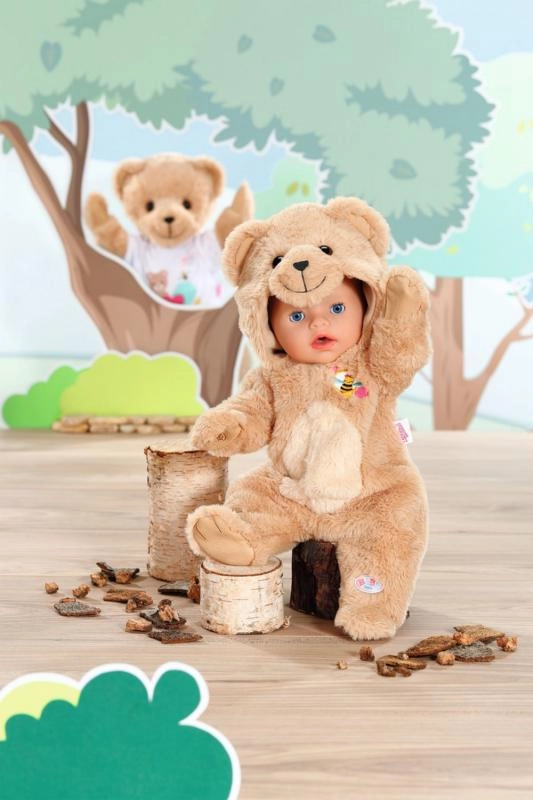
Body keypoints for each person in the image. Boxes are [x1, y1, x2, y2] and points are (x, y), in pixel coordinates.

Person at [185, 197, 431, 640]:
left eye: (336, 309)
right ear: (267, 327)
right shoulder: (274, 376)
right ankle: (242, 538)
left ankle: (373, 602)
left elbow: (401, 356)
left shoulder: (372, 363)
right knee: (252, 494)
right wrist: (232, 425)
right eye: (297, 316)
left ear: (366, 304)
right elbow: (253, 411)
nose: (319, 324)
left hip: (372, 493)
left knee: (395, 527)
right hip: (291, 490)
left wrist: (401, 319)